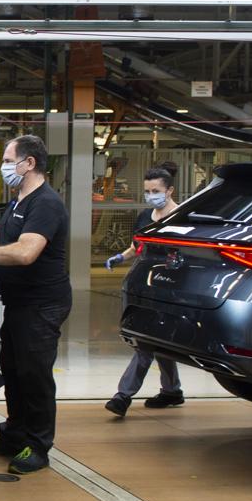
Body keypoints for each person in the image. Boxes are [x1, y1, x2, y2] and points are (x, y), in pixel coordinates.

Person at [0, 134, 71, 475]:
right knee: (14, 370)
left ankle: (38, 446)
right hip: (20, 303)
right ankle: (13, 436)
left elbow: (25, 252)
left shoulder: (45, 203)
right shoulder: (18, 201)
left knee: (34, 374)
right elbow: (2, 241)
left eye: (8, 161)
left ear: (29, 163)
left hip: (42, 304)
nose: (4, 167)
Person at [102, 166, 184, 417]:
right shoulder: (145, 217)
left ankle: (123, 396)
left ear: (169, 190)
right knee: (160, 341)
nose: (151, 196)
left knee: (146, 342)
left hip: (172, 288)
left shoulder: (182, 217)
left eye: (156, 191)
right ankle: (172, 391)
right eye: (147, 191)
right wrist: (120, 257)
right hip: (146, 285)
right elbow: (136, 246)